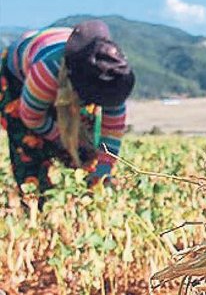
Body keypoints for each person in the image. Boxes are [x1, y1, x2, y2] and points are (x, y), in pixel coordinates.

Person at [0, 20, 134, 206]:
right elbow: (31, 117)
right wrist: (61, 139)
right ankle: (36, 203)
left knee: (86, 143)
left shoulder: (113, 76)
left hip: (69, 69)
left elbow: (112, 130)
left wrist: (102, 172)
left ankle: (84, 196)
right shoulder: (47, 71)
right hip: (19, 75)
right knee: (29, 144)